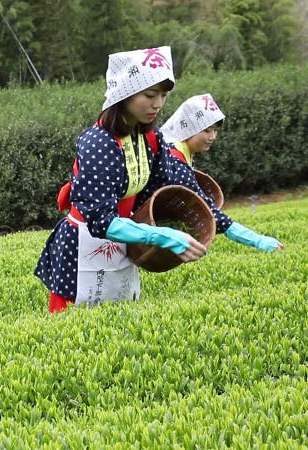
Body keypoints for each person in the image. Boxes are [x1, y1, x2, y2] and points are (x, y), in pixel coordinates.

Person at [36, 46, 231, 313]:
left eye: (163, 95)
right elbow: (101, 220)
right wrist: (159, 235)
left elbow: (170, 187)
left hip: (125, 239)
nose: (158, 104)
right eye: (150, 95)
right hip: (85, 244)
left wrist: (231, 228)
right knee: (73, 329)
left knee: (120, 320)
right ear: (124, 94)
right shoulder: (98, 142)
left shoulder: (151, 138)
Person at [161, 94, 283, 252]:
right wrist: (257, 240)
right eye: (206, 130)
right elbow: (206, 209)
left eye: (215, 130)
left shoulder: (174, 152)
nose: (212, 137)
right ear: (188, 128)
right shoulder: (175, 161)